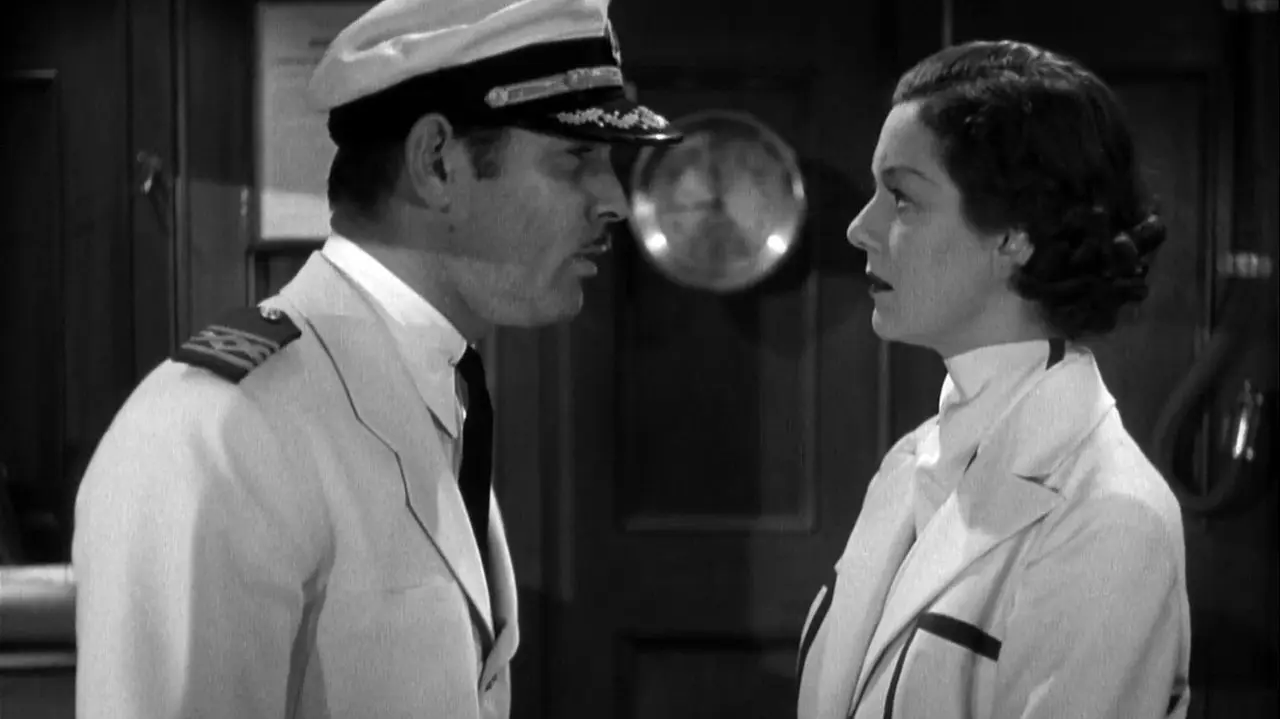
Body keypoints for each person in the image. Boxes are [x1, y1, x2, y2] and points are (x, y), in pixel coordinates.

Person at [71, 1, 679, 717]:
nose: (615, 201)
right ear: (437, 163)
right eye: (576, 157)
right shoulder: (216, 431)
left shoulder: (437, 385)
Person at [795, 40, 1191, 719]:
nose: (861, 227)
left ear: (1014, 235)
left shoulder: (1110, 517)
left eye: (902, 198)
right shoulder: (910, 464)